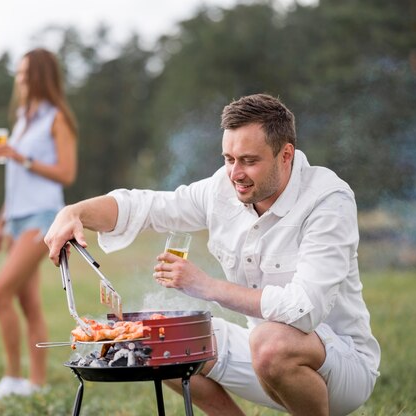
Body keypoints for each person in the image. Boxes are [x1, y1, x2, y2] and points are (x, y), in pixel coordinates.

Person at [44, 94, 380, 416]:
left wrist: (204, 286)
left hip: (339, 368)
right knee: (159, 340)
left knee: (270, 342)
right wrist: (75, 212)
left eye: (249, 161)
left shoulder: (327, 199)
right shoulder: (223, 188)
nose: (235, 173)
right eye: (229, 159)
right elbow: (145, 207)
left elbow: (305, 309)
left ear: (286, 155)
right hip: (262, 355)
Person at [0, 48, 78, 398]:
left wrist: (22, 157)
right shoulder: (24, 118)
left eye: (26, 73)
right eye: (19, 73)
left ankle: (12, 377)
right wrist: (0, 224)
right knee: (28, 303)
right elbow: (15, 181)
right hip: (16, 219)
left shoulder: (57, 118)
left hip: (42, 217)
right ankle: (36, 385)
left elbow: (66, 173)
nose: (19, 79)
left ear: (40, 76)